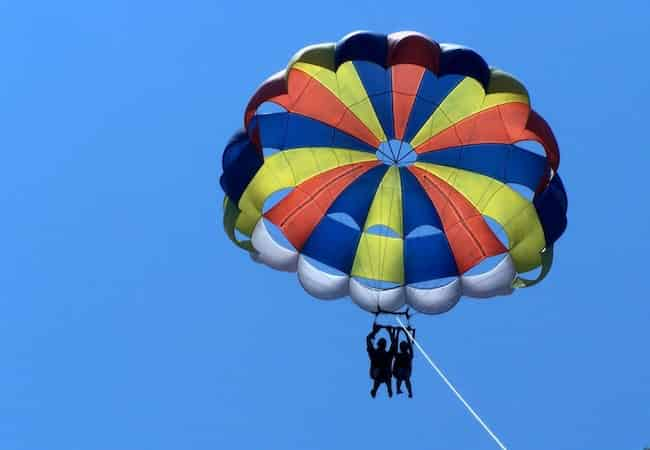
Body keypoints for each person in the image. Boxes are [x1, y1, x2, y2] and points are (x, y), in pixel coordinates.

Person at [366, 324, 398, 398]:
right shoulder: (375, 353)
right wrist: (390, 332)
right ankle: (382, 389)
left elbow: (368, 339)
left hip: (382, 373)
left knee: (384, 373)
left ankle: (383, 389)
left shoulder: (375, 353)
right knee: (382, 373)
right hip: (378, 373)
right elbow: (394, 344)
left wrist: (375, 331)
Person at [393, 329, 414, 397]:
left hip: (402, 371)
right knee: (406, 380)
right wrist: (406, 333)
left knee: (403, 379)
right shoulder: (409, 355)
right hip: (403, 371)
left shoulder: (399, 355)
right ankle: (405, 391)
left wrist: (398, 333)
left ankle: (399, 390)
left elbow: (396, 344)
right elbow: (410, 345)